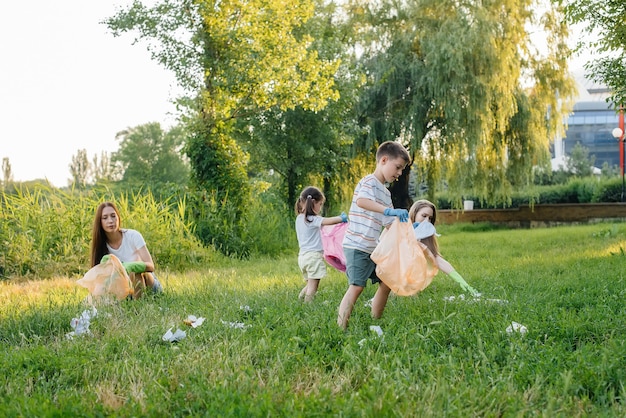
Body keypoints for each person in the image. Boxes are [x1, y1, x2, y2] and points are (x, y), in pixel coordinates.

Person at [337, 141, 411, 329]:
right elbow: (362, 201)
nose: (400, 173)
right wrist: (388, 211)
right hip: (356, 245)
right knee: (357, 286)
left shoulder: (385, 193)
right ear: (384, 160)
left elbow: (388, 224)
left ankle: (376, 321)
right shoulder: (368, 182)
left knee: (386, 282)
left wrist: (406, 226)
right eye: (398, 167)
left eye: (402, 169)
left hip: (372, 248)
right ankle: (341, 328)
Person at [90, 202, 163, 299]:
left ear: (118, 218)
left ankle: (139, 308)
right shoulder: (101, 246)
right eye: (105, 218)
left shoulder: (133, 236)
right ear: (100, 222)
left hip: (149, 286)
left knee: (136, 273)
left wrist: (131, 266)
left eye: (113, 216)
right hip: (124, 290)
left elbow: (151, 266)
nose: (110, 221)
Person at [408, 199, 479, 296]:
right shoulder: (402, 229)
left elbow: (436, 258)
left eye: (430, 218)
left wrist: (460, 280)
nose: (427, 221)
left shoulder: (426, 236)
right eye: (424, 216)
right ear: (414, 214)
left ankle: (412, 291)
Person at [295, 186, 348, 302]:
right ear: (313, 203)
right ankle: (308, 305)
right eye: (320, 204)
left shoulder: (299, 218)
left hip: (302, 257)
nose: (320, 207)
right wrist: (341, 218)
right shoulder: (312, 219)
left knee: (309, 284)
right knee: (314, 286)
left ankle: (299, 301)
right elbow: (327, 221)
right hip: (313, 257)